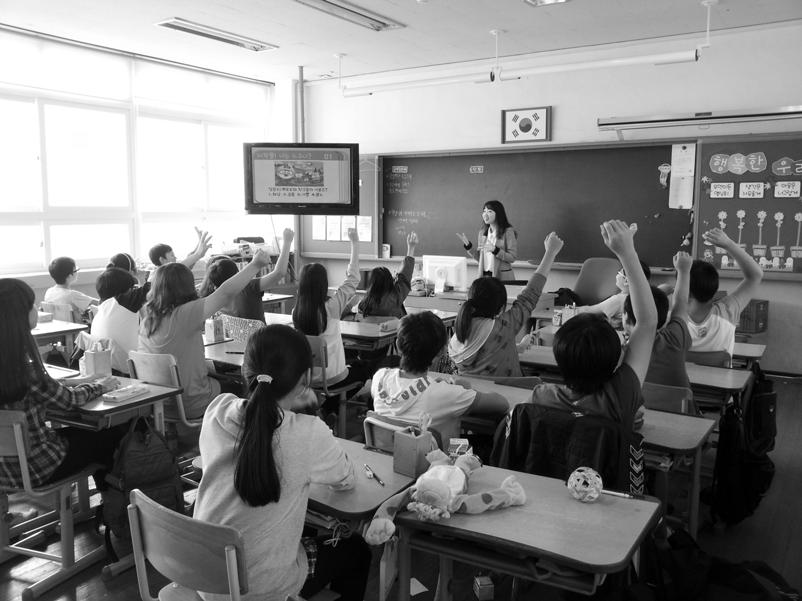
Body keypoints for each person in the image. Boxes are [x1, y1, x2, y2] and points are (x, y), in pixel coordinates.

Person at [193, 325, 370, 601]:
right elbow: (345, 477)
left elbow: (260, 427)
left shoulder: (216, 411)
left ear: (245, 371)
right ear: (305, 380)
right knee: (355, 549)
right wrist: (310, 414)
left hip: (206, 577)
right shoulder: (307, 432)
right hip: (260, 590)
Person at [529, 220, 657, 432]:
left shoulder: (541, 396)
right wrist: (627, 252)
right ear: (616, 358)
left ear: (559, 359)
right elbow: (647, 323)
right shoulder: (619, 400)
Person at [0, 278, 121, 492]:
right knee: (115, 434)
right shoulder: (25, 371)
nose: (36, 310)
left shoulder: (15, 369)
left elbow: (42, 393)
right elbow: (69, 401)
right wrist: (102, 385)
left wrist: (69, 382)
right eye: (32, 306)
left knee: (86, 436)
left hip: (5, 470)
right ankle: (117, 509)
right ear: (18, 316)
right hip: (37, 467)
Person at [138, 247, 272, 430]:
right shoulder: (184, 314)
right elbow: (225, 293)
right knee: (243, 386)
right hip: (192, 401)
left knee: (216, 371)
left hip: (160, 402)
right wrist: (255, 265)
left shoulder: (148, 319)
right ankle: (243, 439)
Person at [372, 311, 509, 441]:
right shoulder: (447, 394)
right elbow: (502, 404)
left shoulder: (380, 377)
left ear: (398, 346)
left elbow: (404, 393)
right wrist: (465, 389)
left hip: (384, 458)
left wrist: (434, 385)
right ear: (442, 351)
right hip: (432, 463)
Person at [448, 232, 564, 377]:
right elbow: (530, 295)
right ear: (501, 308)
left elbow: (486, 351)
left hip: (472, 395)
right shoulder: (502, 327)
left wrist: (519, 346)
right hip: (507, 395)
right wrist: (550, 253)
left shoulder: (457, 335)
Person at [292, 228, 370, 407]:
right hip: (333, 378)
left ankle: (327, 408)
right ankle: (330, 408)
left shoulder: (296, 311)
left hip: (308, 379)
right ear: (324, 284)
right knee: (363, 368)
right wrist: (354, 244)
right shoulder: (331, 307)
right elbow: (353, 278)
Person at [687, 228, 763, 358]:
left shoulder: (672, 318)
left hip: (681, 379)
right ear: (715, 288)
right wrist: (728, 244)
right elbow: (755, 275)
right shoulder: (727, 311)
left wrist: (661, 292)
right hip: (721, 378)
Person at [623, 251, 691, 389]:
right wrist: (684, 271)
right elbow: (681, 302)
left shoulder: (619, 354)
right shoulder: (674, 339)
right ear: (665, 316)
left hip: (636, 410)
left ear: (625, 318)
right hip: (679, 409)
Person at [199, 229, 294, 322]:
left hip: (232, 338)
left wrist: (197, 253)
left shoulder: (212, 300)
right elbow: (279, 273)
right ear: (237, 273)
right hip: (258, 337)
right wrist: (287, 242)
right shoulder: (248, 287)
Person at [92, 267, 151, 374]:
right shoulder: (121, 301)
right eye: (132, 288)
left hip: (107, 367)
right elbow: (154, 285)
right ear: (126, 291)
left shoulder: (102, 306)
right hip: (130, 369)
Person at [356, 231, 418, 321]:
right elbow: (405, 275)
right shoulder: (396, 297)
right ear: (390, 281)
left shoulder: (364, 304)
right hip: (395, 333)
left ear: (371, 283)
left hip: (371, 334)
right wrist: (411, 248)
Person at [576, 259, 651, 329]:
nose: (617, 275)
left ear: (626, 281)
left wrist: (567, 310)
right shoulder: (644, 299)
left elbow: (588, 310)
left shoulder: (618, 300)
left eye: (619, 273)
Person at [457, 200, 518, 280]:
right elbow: (480, 258)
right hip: (485, 276)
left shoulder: (508, 231)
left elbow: (512, 257)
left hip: (501, 277)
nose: (485, 214)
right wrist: (469, 247)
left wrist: (495, 250)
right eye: (484, 211)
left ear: (498, 214)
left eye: (489, 211)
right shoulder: (482, 233)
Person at [148, 227, 212, 270]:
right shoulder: (163, 273)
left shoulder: (169, 271)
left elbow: (189, 262)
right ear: (162, 260)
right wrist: (198, 254)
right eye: (172, 255)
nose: (175, 258)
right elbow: (182, 265)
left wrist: (199, 243)